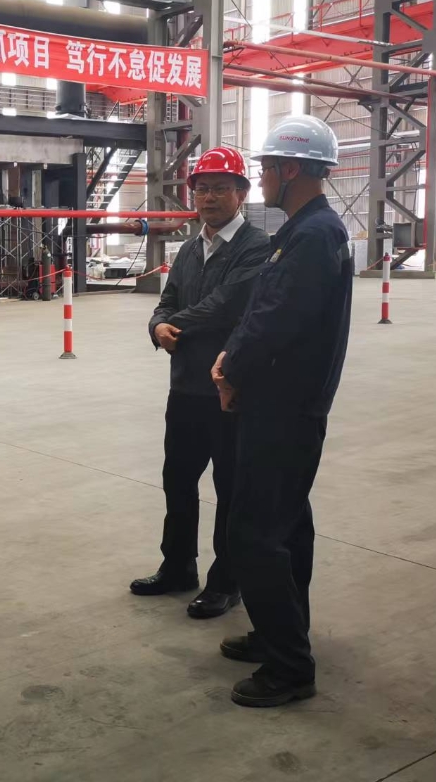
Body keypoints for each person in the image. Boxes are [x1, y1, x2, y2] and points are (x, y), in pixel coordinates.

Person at [210, 116, 353, 708]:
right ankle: (280, 633)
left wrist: (231, 371)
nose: (262, 178)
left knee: (255, 533)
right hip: (289, 403)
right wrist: (234, 357)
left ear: (291, 169)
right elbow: (267, 309)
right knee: (288, 527)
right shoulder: (307, 231)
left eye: (267, 168)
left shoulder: (312, 236)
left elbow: (275, 319)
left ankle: (290, 667)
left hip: (282, 408)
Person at [132, 147, 271, 620]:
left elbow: (226, 304)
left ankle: (227, 582)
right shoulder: (191, 248)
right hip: (186, 388)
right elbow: (167, 299)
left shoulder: (256, 247)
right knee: (177, 481)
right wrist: (157, 325)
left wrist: (175, 326)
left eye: (220, 188)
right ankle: (177, 567)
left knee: (230, 489)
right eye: (202, 188)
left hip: (230, 390)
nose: (209, 197)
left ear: (242, 193)